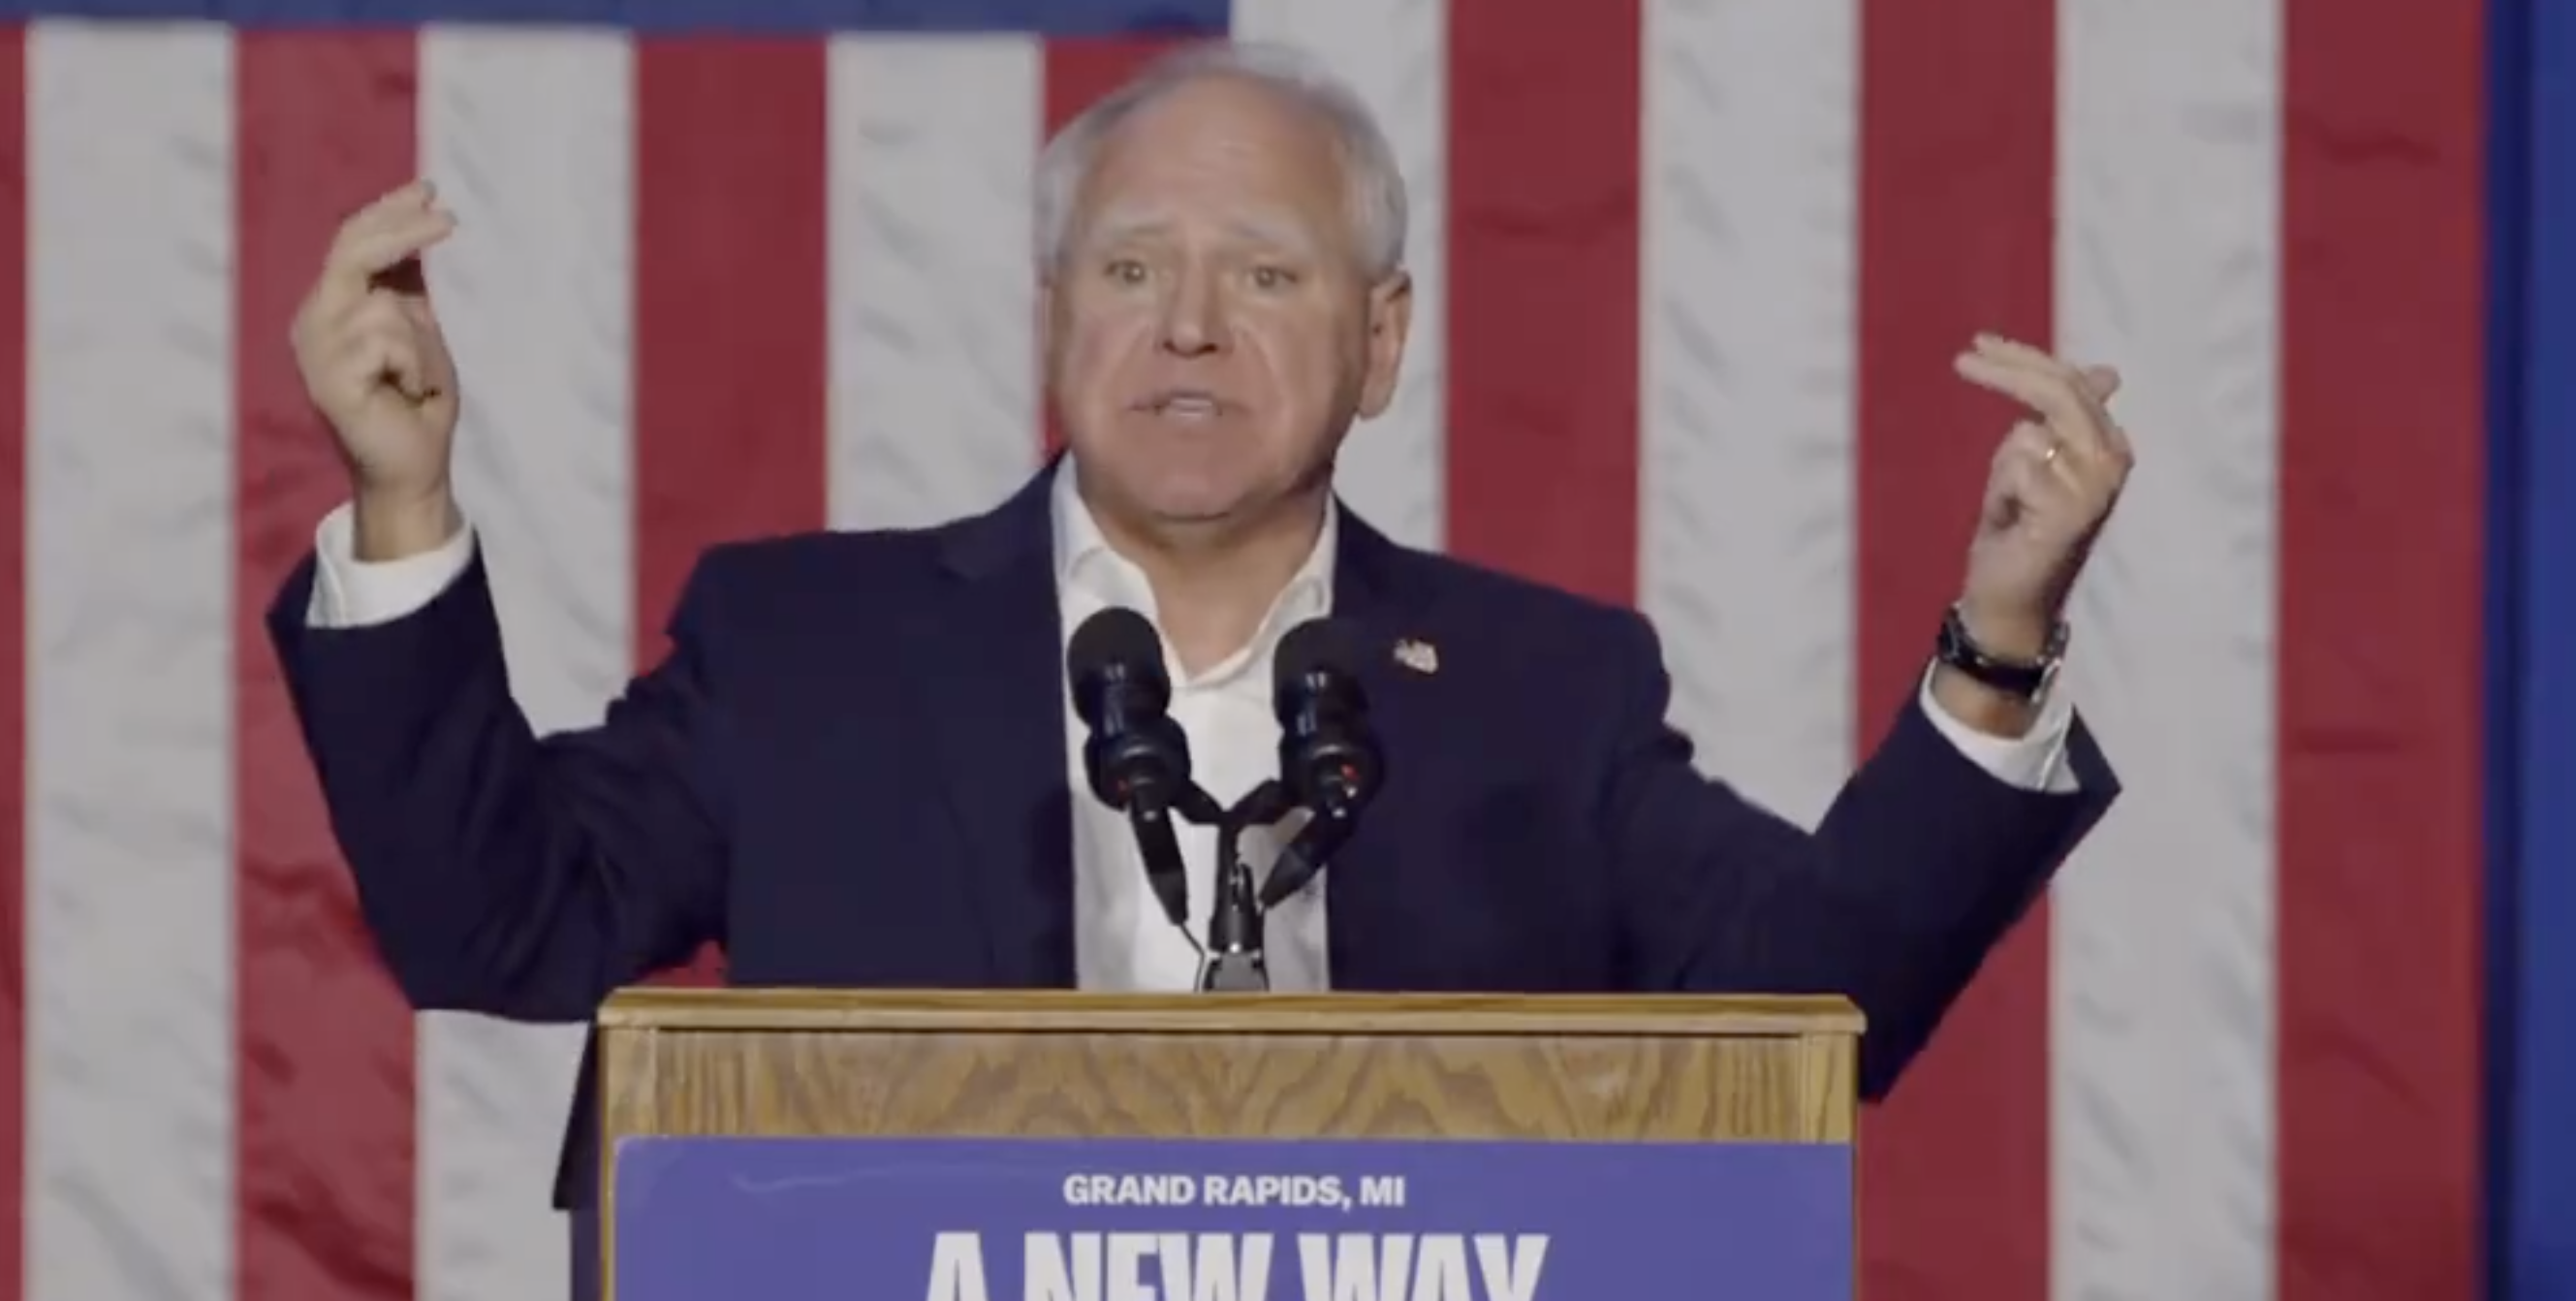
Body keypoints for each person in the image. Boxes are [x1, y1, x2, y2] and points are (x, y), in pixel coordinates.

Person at [271, 39, 2125, 1131]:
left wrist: (1999, 642)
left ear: (1379, 340)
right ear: (1054, 316)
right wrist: (404, 505)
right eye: (1130, 268)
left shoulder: (1541, 693)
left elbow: (1821, 1015)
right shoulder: (805, 651)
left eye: (1264, 276)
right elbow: (492, 923)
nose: (1185, 326)